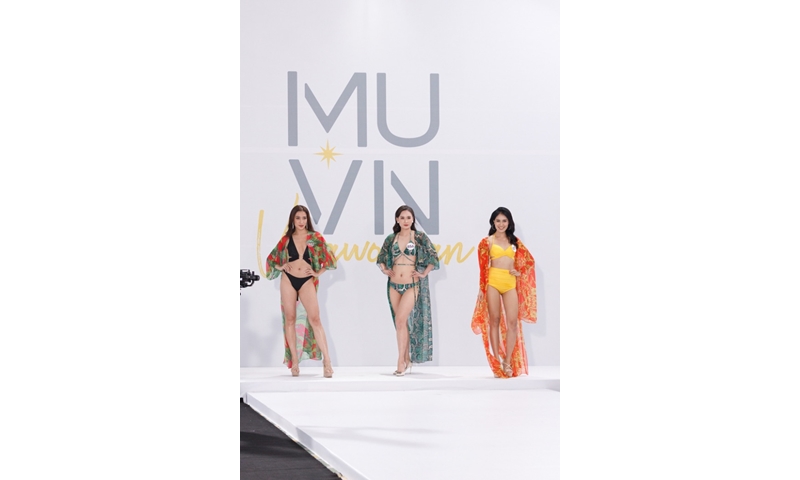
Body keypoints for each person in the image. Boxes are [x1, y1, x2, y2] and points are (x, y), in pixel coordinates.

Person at [265, 205, 337, 378]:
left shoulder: (315, 238)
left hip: (306, 280)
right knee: (290, 319)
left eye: (304, 218)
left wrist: (317, 273)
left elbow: (330, 260)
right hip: (288, 280)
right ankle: (295, 362)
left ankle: (327, 361)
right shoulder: (286, 239)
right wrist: (281, 266)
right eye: (298, 218)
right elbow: (271, 259)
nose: (301, 221)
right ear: (293, 219)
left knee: (315, 319)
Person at [471, 207, 537, 378]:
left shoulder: (514, 241)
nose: (501, 224)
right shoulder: (486, 242)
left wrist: (519, 271)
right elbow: (482, 268)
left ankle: (507, 362)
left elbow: (529, 261)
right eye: (498, 221)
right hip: (493, 282)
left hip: (510, 283)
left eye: (504, 221)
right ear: (493, 222)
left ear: (509, 222)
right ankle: (496, 362)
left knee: (512, 322)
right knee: (494, 320)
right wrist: (482, 288)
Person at [377, 205, 440, 376]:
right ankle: (406, 359)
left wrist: (423, 273)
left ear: (413, 220)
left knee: (401, 319)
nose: (406, 221)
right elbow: (381, 257)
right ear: (397, 219)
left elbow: (433, 257)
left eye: (409, 218)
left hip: (412, 285)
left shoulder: (419, 237)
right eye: (402, 218)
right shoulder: (391, 238)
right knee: (400, 323)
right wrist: (384, 269)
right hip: (393, 285)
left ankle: (400, 361)